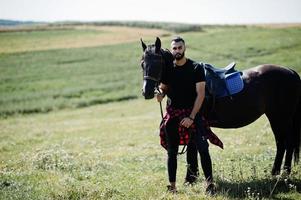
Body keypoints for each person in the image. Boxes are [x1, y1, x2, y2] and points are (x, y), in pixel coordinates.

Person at [156, 36, 217, 194]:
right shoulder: (168, 70)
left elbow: (201, 94)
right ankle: (173, 187)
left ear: (185, 48)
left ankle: (210, 184)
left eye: (179, 47)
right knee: (172, 152)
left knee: (203, 148)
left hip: (192, 113)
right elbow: (163, 88)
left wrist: (191, 117)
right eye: (174, 48)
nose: (177, 51)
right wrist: (161, 94)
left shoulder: (196, 68)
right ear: (172, 50)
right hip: (173, 114)